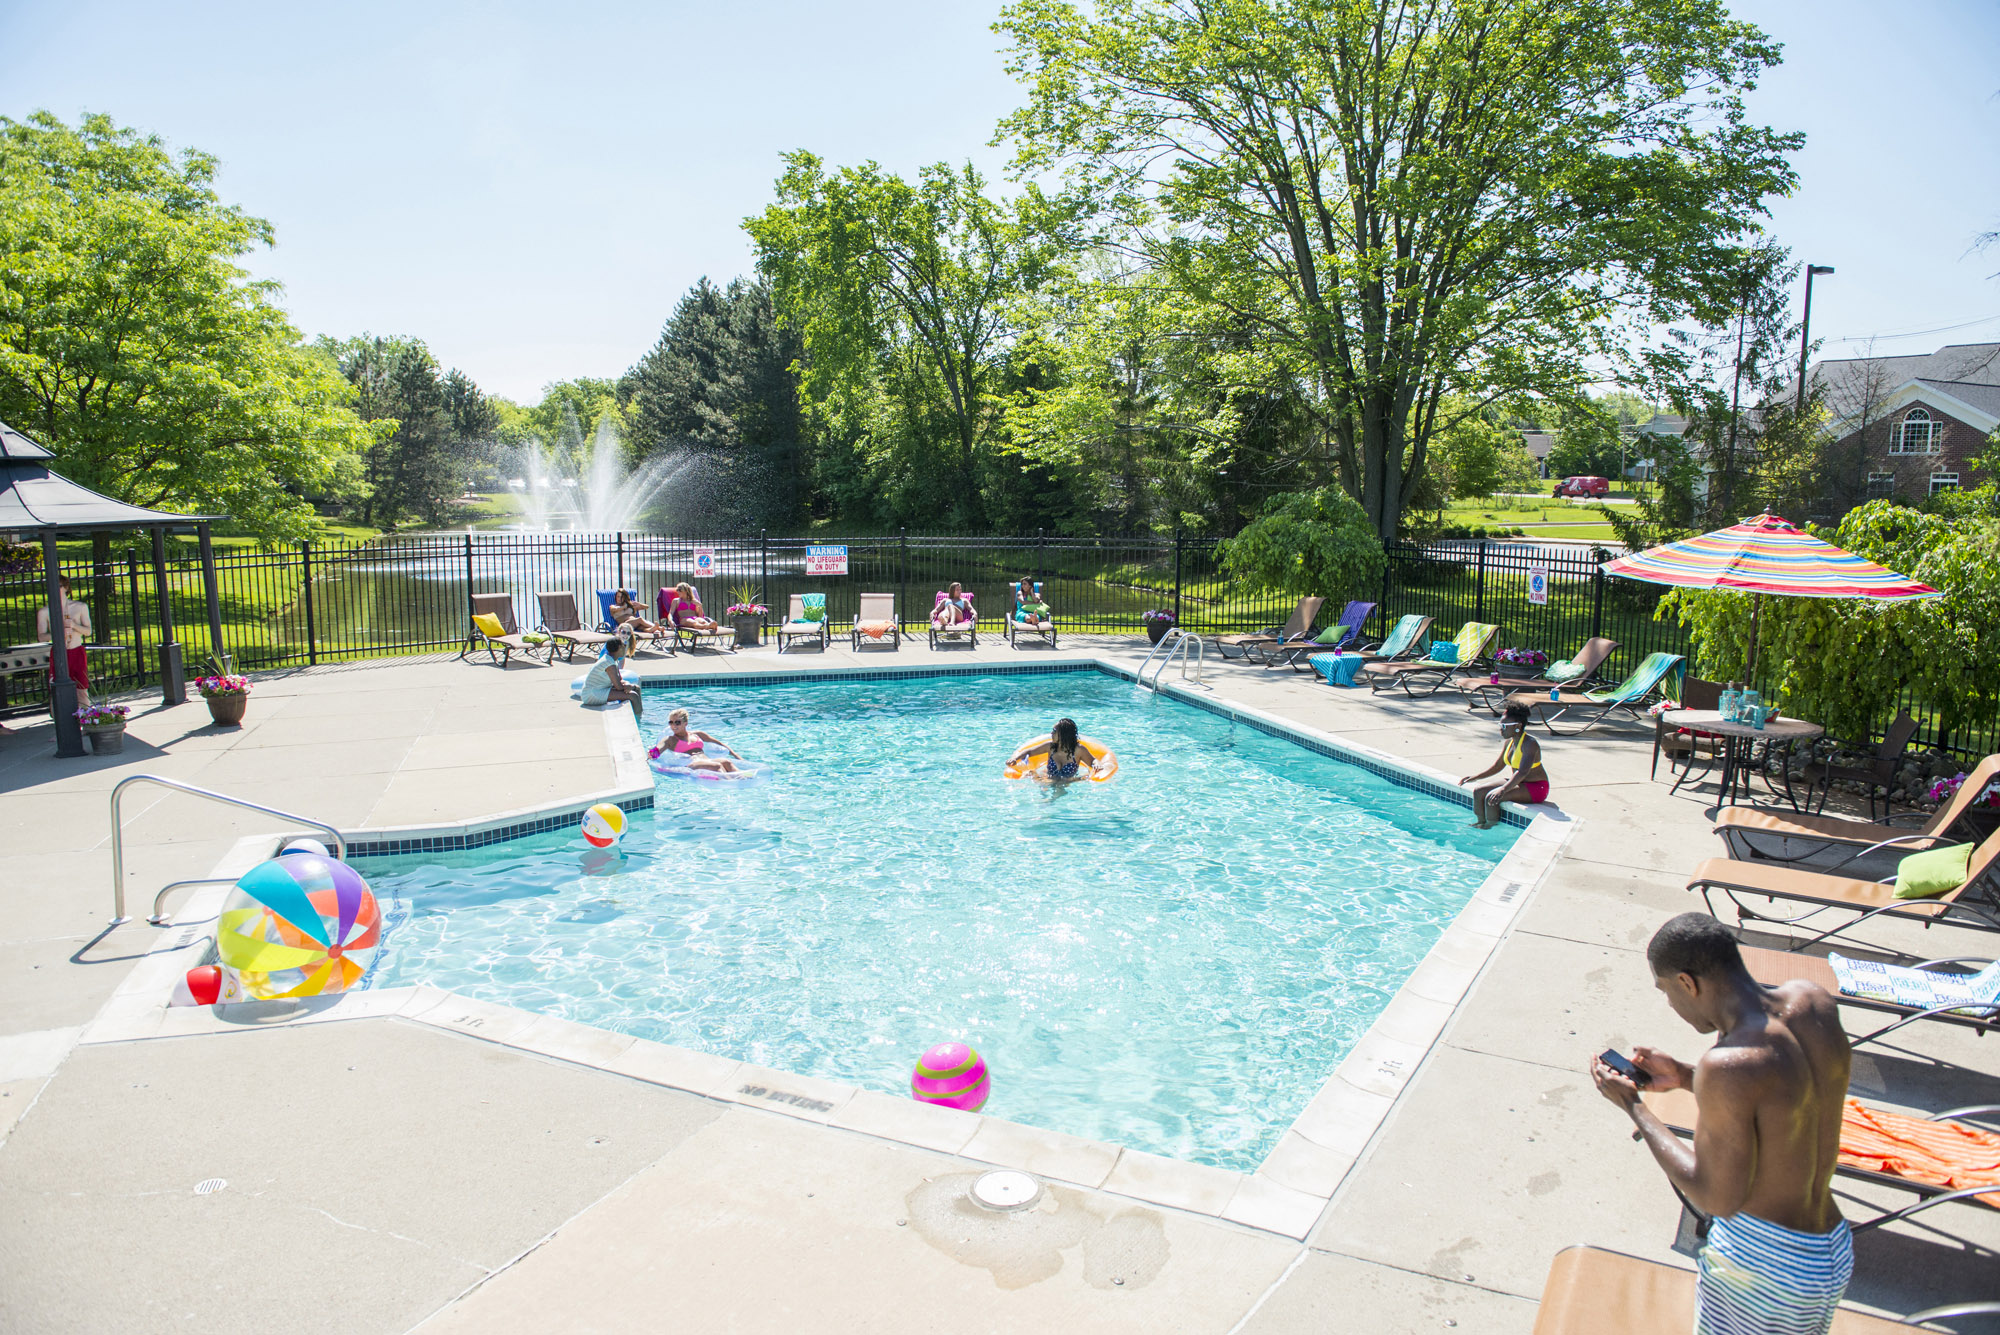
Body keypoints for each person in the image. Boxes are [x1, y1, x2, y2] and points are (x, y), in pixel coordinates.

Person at [1591, 913, 1853, 1335]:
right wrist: (1683, 1075)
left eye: (1666, 991)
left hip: (1765, 1267)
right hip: (1829, 1245)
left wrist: (1634, 1106)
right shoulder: (1813, 1003)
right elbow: (1792, 1095)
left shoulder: (1727, 1065)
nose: (1671, 1004)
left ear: (1687, 983)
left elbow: (1716, 1196)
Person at [1458, 702, 1548, 827]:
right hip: (1519, 782)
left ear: (1518, 726)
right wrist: (1475, 777)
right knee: (1479, 791)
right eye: (1500, 725)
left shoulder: (1529, 743)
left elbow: (1523, 771)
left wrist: (1503, 789)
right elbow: (1498, 766)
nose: (1501, 729)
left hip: (1536, 788)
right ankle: (1480, 822)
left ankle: (1490, 827)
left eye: (1504, 726)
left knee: (1492, 796)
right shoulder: (1509, 743)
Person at [36, 575, 92, 711]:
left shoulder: (80, 607)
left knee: (81, 688)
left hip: (76, 650)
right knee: (56, 688)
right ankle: (60, 720)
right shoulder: (44, 611)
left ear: (66, 588)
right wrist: (57, 634)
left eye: (59, 586)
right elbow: (41, 637)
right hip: (59, 652)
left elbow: (88, 631)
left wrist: (73, 625)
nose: (55, 590)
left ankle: (86, 719)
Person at [1008, 717, 1099, 782]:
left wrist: (1097, 764)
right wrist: (1015, 759)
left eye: (1054, 731)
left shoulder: (1078, 750)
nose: (1051, 733)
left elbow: (1092, 761)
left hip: (1069, 781)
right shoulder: (1050, 747)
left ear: (1064, 735)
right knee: (1029, 773)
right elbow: (1029, 752)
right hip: (1048, 779)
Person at [658, 707, 742, 774]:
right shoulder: (670, 740)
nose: (673, 725)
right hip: (691, 764)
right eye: (671, 722)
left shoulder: (698, 734)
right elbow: (658, 749)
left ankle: (744, 776)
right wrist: (651, 754)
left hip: (707, 760)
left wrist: (735, 755)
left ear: (685, 723)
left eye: (677, 722)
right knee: (717, 766)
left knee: (727, 762)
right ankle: (730, 783)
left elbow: (719, 743)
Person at [577, 636, 643, 719]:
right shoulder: (608, 663)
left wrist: (628, 685)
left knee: (636, 688)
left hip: (600, 689)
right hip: (592, 694)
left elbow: (620, 680)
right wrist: (630, 686)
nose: (625, 648)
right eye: (624, 645)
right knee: (633, 696)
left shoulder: (612, 660)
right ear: (619, 648)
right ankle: (638, 719)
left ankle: (640, 713)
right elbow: (618, 687)